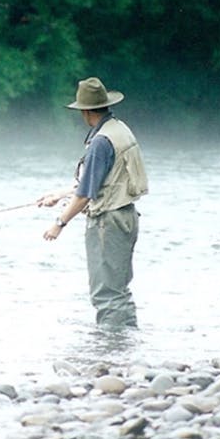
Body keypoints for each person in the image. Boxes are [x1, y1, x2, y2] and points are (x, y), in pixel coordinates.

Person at [38, 77, 148, 328]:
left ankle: (112, 350)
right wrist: (59, 195)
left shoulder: (100, 142)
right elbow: (101, 181)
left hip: (107, 224)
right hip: (126, 216)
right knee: (118, 290)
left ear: (85, 111)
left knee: (106, 294)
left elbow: (87, 194)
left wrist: (59, 223)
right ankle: (125, 345)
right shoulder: (119, 129)